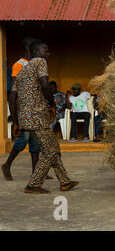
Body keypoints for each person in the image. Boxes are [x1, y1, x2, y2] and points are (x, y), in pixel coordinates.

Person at [10, 40, 78, 194]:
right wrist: (52, 105)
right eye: (45, 51)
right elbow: (46, 85)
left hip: (26, 117)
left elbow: (12, 97)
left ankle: (65, 181)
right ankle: (33, 184)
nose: (48, 54)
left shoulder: (22, 71)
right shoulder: (40, 62)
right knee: (50, 151)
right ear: (36, 53)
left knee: (52, 147)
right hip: (37, 116)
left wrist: (16, 122)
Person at [1, 37, 48, 181]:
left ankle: (36, 171)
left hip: (36, 108)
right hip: (24, 108)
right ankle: (7, 165)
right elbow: (13, 93)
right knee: (24, 137)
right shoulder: (19, 65)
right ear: (30, 48)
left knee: (35, 141)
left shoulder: (37, 62)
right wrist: (15, 119)